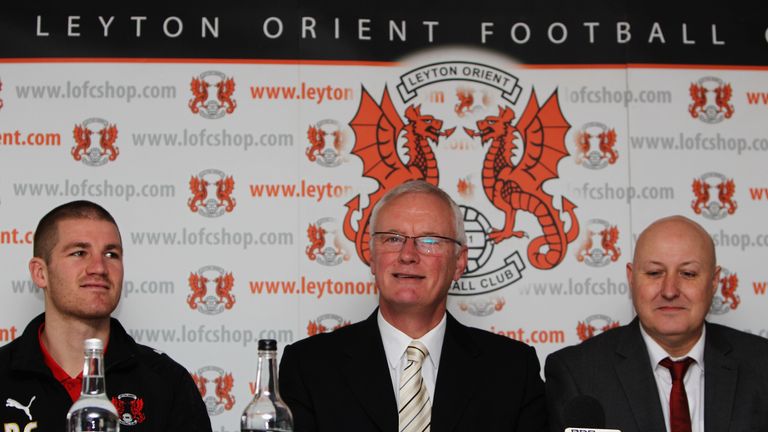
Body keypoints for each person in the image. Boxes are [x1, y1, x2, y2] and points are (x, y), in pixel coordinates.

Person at [279, 180, 547, 432]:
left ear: (460, 262)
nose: (408, 255)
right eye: (393, 238)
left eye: (429, 240)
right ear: (372, 257)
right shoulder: (309, 367)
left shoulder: (513, 370)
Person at [0, 200, 212, 431]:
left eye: (111, 254)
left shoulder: (167, 382)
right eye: (79, 252)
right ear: (41, 273)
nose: (99, 267)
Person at [545, 215, 768, 432]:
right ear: (631, 278)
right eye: (654, 273)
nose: (669, 290)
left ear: (714, 281)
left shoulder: (761, 364)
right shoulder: (578, 373)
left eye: (688, 273)